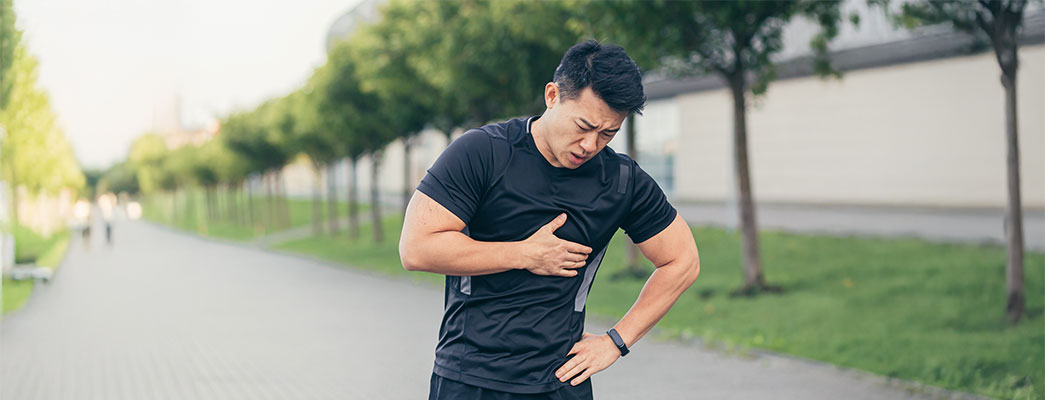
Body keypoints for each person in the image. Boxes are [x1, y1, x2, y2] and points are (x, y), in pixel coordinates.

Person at [400, 40, 701, 400]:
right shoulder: (483, 152)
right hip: (470, 378)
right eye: (584, 126)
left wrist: (616, 342)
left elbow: (682, 261)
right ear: (552, 95)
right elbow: (416, 249)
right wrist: (525, 254)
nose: (590, 144)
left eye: (607, 134)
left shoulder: (621, 181)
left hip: (561, 383)